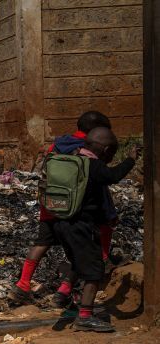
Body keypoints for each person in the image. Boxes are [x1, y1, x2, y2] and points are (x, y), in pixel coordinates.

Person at [9, 111, 115, 306]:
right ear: (96, 131)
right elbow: (96, 184)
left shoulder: (57, 145)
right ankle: (64, 291)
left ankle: (22, 285)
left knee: (41, 243)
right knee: (82, 249)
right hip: (77, 210)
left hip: (51, 204)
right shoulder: (91, 148)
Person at [49, 127, 136, 331]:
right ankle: (85, 316)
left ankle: (65, 298)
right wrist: (131, 159)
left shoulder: (71, 159)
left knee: (79, 263)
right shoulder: (93, 165)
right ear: (105, 149)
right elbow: (114, 175)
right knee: (94, 270)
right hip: (81, 225)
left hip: (61, 222)